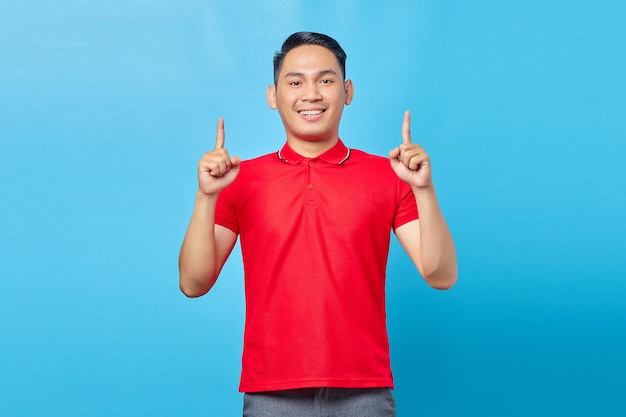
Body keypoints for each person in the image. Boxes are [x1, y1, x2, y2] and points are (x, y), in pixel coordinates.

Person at [179, 31, 458, 417]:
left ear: (347, 91)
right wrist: (205, 197)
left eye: (325, 80)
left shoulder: (390, 175)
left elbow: (440, 274)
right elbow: (193, 284)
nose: (311, 93)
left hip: (364, 393)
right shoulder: (237, 179)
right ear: (273, 96)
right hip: (271, 394)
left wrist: (425, 191)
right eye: (295, 82)